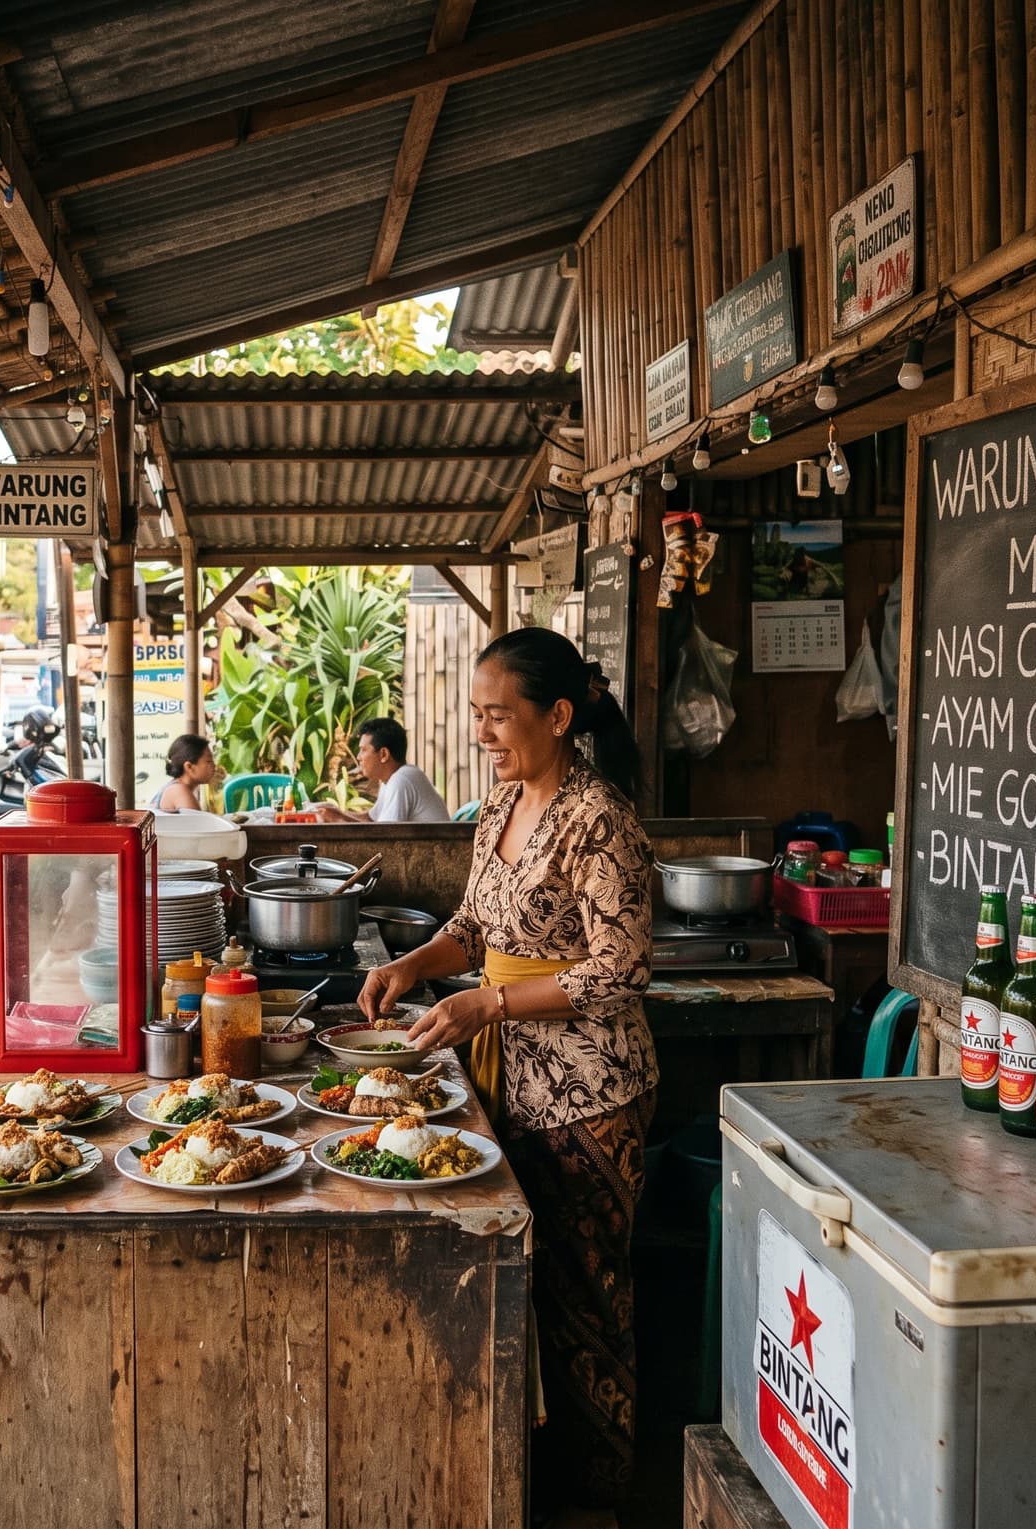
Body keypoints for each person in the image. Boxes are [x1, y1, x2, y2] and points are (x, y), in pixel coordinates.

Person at [357, 627, 654, 1519]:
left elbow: (620, 969)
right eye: (476, 715)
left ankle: (601, 1493)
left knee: (586, 1294)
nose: (483, 733)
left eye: (499, 715)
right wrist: (415, 964)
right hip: (508, 1084)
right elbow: (478, 927)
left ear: (559, 716)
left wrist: (489, 1005)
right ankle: (533, 1480)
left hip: (589, 1092)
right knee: (520, 1290)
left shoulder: (602, 820)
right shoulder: (499, 805)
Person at [318, 717, 451, 824]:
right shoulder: (392, 779)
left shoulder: (401, 780)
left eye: (363, 750)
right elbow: (370, 819)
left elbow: (384, 836)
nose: (358, 757)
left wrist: (338, 819)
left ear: (384, 754)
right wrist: (336, 813)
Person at [155, 733, 219, 813]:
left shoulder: (182, 788)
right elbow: (200, 824)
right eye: (209, 761)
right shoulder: (178, 790)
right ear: (189, 767)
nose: (214, 766)